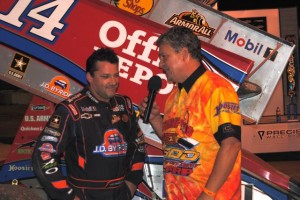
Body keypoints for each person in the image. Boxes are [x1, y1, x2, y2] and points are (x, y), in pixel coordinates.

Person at [139, 26, 242, 200]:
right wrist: (156, 119)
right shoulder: (174, 94)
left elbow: (231, 144)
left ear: (184, 54)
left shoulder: (216, 89)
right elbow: (176, 145)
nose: (160, 63)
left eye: (164, 57)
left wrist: (208, 195)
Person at [32, 47, 145, 200]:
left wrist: (132, 182)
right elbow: (43, 155)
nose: (113, 82)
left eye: (116, 75)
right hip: (84, 194)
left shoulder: (124, 104)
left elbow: (138, 144)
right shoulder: (71, 110)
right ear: (90, 77)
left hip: (120, 193)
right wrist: (67, 196)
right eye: (106, 76)